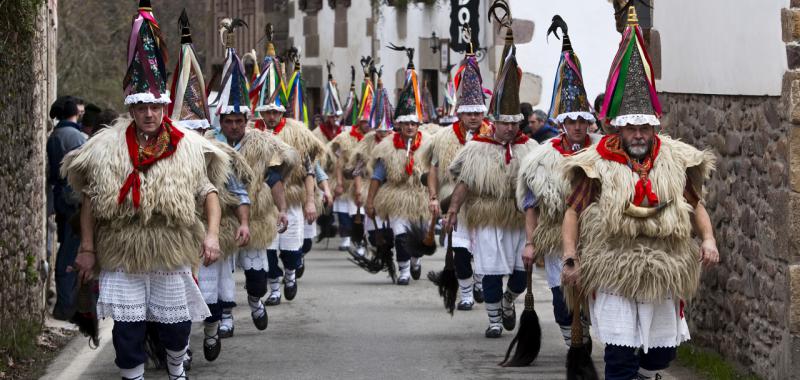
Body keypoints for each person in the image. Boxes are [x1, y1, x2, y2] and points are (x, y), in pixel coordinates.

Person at [63, 2, 230, 378]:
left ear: (163, 107)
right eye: (142, 109)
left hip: (171, 249)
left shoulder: (188, 146)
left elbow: (209, 193)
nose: (149, 115)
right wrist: (88, 249)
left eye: (155, 107)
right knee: (127, 329)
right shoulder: (107, 148)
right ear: (132, 109)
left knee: (175, 328)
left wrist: (213, 236)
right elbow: (90, 199)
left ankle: (176, 367)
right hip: (123, 249)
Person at [560, 8, 719, 380]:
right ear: (618, 128)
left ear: (654, 127)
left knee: (659, 357)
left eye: (645, 128)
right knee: (619, 355)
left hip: (663, 267)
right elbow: (573, 211)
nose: (639, 135)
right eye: (631, 128)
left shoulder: (672, 161)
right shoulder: (596, 163)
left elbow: (696, 205)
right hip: (615, 265)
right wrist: (570, 256)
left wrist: (708, 239)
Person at [444, 24, 537, 338]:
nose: (509, 129)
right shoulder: (476, 149)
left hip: (519, 218)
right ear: (493, 122)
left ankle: (511, 299)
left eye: (514, 123)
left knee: (521, 274)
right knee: (492, 271)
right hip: (487, 218)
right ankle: (495, 320)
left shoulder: (530, 148)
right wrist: (454, 211)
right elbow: (464, 183)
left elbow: (541, 184)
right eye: (503, 122)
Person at [517, 15, 599, 350]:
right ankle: (574, 344)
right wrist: (531, 242)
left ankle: (590, 333)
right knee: (562, 303)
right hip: (554, 236)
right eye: (572, 121)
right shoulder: (542, 157)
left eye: (582, 120)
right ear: (562, 123)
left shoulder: (603, 153)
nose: (578, 127)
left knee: (596, 297)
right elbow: (531, 203)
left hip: (595, 237)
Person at [252, 33, 328, 305]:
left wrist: (310, 201)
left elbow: (309, 170)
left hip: (294, 197)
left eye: (275, 112)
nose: (271, 116)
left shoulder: (298, 133)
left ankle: (292, 273)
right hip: (264, 202)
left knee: (291, 247)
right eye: (266, 111)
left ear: (282, 112)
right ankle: (273, 288)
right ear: (260, 111)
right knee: (268, 248)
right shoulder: (252, 134)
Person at [424, 38, 489, 310]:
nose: (474, 117)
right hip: (456, 203)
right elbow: (434, 168)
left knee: (486, 254)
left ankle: (480, 282)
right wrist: (433, 197)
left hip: (487, 204)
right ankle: (465, 292)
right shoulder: (444, 138)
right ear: (460, 113)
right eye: (469, 113)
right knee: (460, 251)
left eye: (478, 112)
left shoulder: (492, 136)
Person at [365, 46, 432, 285]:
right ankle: (403, 269)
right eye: (407, 124)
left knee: (421, 235)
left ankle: (415, 260)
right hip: (397, 197)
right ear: (400, 126)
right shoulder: (387, 148)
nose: (411, 128)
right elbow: (377, 177)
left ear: (418, 125)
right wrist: (370, 201)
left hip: (421, 196)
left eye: (414, 124)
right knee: (400, 234)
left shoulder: (429, 145)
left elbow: (435, 174)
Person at [46, 95, 87, 321]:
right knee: (69, 254)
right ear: (75, 113)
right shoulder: (74, 136)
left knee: (69, 251)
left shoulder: (57, 135)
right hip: (73, 201)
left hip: (64, 199)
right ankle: (66, 306)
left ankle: (68, 304)